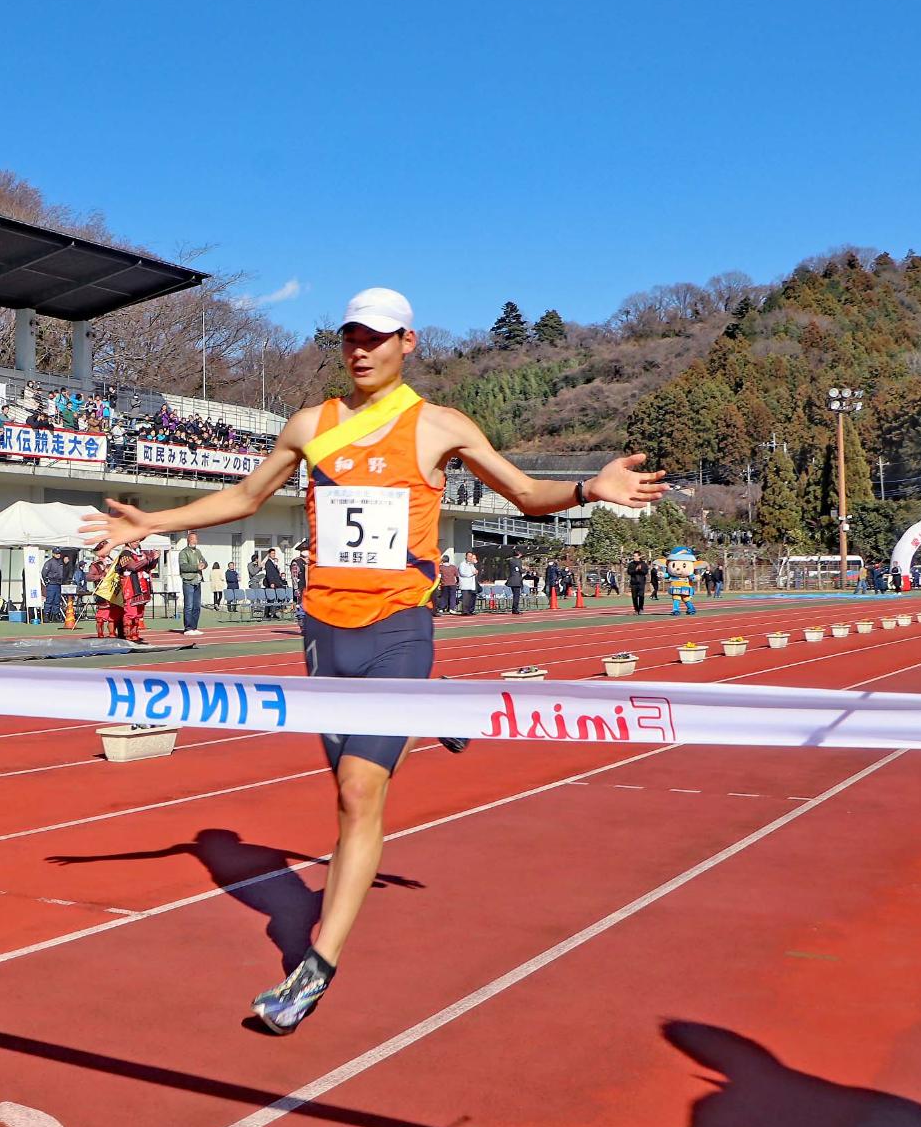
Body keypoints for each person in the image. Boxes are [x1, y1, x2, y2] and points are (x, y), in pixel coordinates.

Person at [85, 286, 662, 1033]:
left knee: (360, 795)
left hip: (399, 625)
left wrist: (590, 487)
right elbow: (244, 496)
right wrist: (151, 522)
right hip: (325, 628)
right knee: (342, 789)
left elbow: (523, 494)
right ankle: (434, 703)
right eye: (351, 335)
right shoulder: (310, 425)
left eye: (378, 337)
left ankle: (315, 966)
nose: (362, 348)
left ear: (408, 343)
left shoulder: (438, 427)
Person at [177, 532, 207, 636]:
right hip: (188, 581)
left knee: (197, 606)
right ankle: (188, 628)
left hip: (198, 581)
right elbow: (183, 566)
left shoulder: (198, 551)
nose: (195, 541)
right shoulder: (183, 552)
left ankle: (194, 627)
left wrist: (204, 564)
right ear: (188, 540)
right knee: (189, 606)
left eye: (196, 539)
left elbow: (204, 561)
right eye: (193, 539)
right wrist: (196, 567)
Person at [627, 550, 650, 615]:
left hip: (641, 582)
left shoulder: (643, 564)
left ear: (639, 556)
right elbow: (629, 572)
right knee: (634, 597)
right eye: (633, 556)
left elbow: (645, 572)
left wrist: (640, 569)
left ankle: (641, 608)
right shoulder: (631, 564)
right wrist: (635, 569)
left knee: (641, 596)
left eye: (635, 556)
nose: (634, 557)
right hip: (633, 582)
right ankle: (636, 610)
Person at [457, 551, 479, 615]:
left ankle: (469, 610)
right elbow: (463, 573)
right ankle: (465, 611)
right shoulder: (462, 564)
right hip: (465, 584)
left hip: (470, 584)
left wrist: (476, 572)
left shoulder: (471, 564)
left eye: (471, 556)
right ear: (466, 556)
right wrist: (472, 573)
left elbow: (475, 571)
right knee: (465, 599)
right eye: (469, 556)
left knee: (469, 599)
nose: (470, 557)